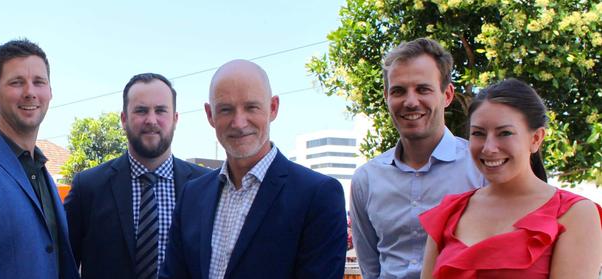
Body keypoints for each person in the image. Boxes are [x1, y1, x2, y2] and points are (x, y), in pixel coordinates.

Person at [160, 59, 347, 279]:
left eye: (251, 107)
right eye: (226, 109)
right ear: (210, 115)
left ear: (273, 108)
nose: (239, 123)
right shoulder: (192, 195)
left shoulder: (317, 196)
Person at [420, 78, 602, 278]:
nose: (489, 148)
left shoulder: (575, 214)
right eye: (478, 133)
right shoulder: (448, 213)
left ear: (536, 139)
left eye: (505, 133)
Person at [350, 37, 486, 278]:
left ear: (447, 95)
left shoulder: (480, 168)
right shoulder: (367, 179)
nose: (411, 102)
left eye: (423, 89)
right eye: (399, 91)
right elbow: (371, 268)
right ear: (387, 97)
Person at [0, 39, 80, 278]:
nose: (30, 92)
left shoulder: (44, 174)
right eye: (16, 82)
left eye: (39, 82)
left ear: (50, 92)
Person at [64, 73, 209, 279]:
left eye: (161, 110)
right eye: (141, 111)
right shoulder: (88, 187)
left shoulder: (206, 186)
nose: (151, 120)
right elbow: (64, 265)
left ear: (175, 119)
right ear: (124, 119)